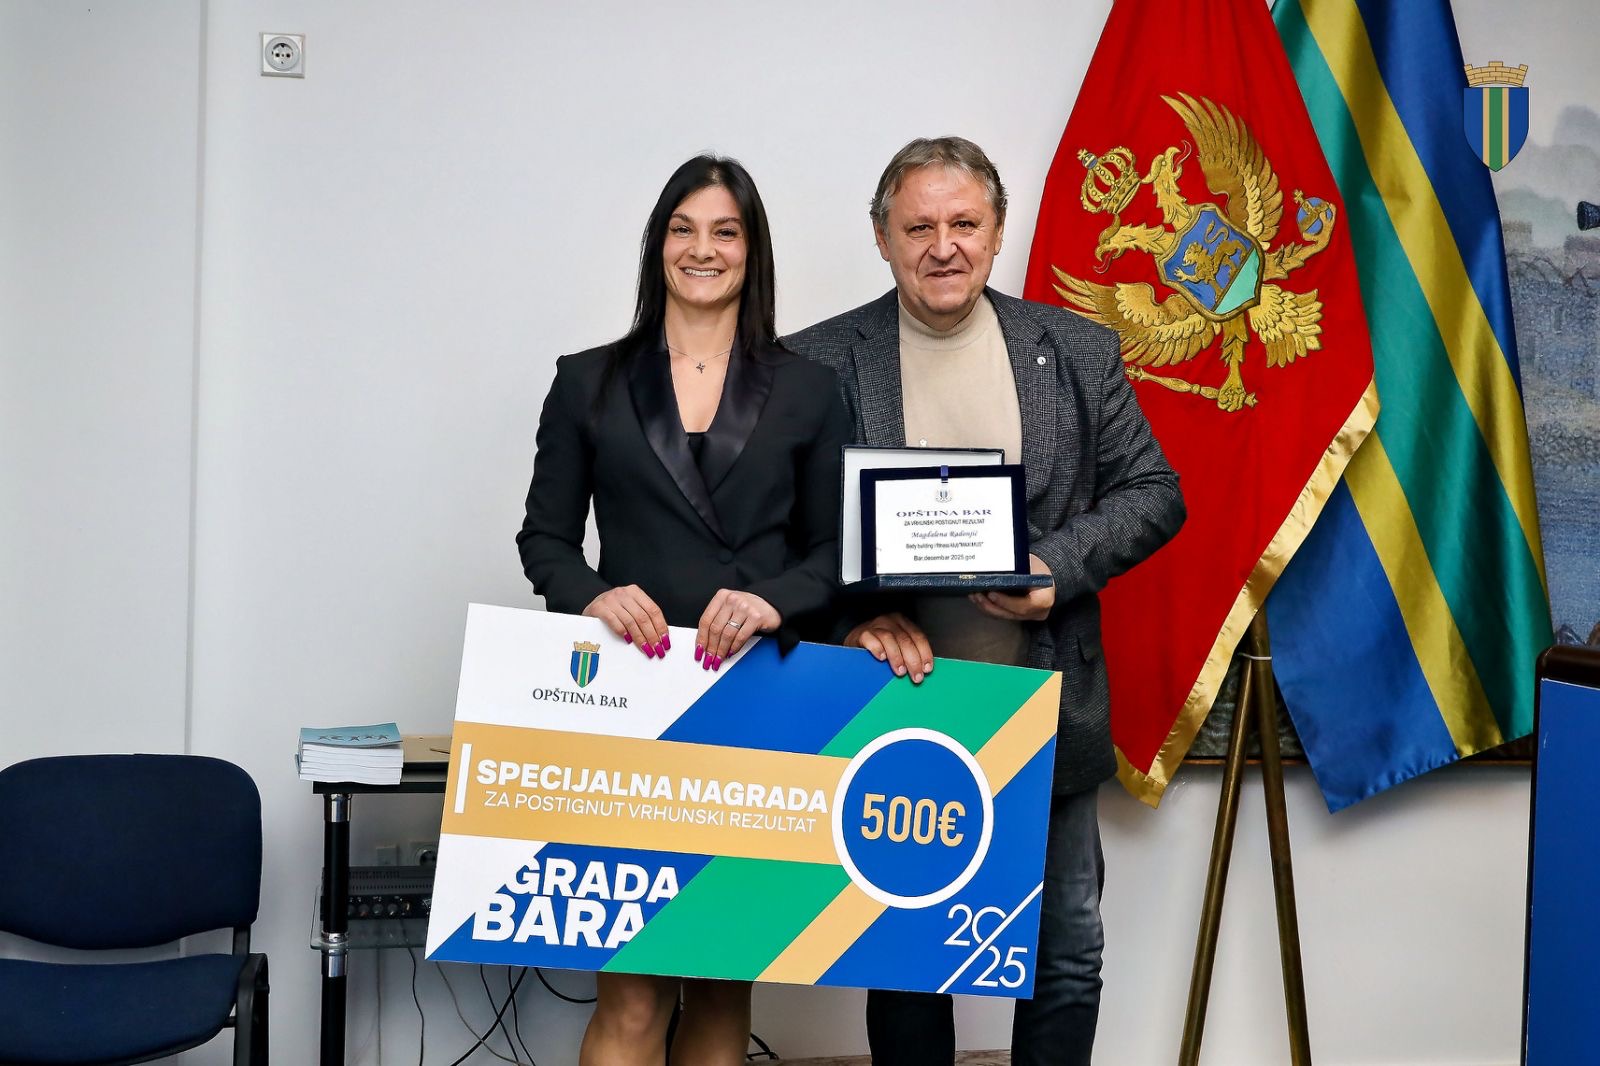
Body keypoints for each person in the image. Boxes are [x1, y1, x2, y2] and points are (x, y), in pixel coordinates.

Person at [786, 137, 1185, 1066]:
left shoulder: (1076, 349)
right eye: (918, 227)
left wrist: (1058, 565)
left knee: (1065, 949)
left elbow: (1156, 491)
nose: (943, 246)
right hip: (897, 703)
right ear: (882, 238)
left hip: (1044, 696)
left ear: (998, 232)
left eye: (964, 223)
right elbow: (779, 533)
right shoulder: (815, 362)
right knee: (907, 954)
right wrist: (852, 621)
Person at [516, 154, 850, 1066]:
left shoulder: (811, 388)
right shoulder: (586, 380)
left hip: (754, 702)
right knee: (631, 989)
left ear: (753, 250)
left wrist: (773, 601)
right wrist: (592, 592)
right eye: (683, 229)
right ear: (658, 244)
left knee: (721, 980)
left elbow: (834, 554)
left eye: (725, 231)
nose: (703, 249)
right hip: (630, 705)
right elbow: (544, 540)